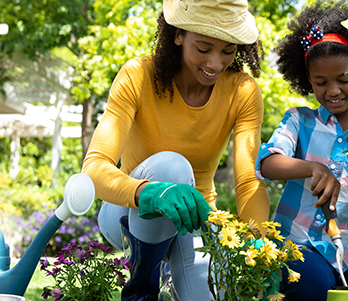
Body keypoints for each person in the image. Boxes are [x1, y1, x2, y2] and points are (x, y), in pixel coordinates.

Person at [82, 0, 271, 300]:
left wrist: (259, 238)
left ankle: (167, 273)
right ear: (178, 34)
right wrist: (151, 193)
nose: (215, 64)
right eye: (204, 48)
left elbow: (248, 181)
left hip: (195, 221)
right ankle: (142, 287)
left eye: (227, 50)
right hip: (127, 212)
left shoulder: (243, 91)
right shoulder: (138, 76)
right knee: (173, 167)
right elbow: (93, 168)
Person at [254, 2, 348, 300]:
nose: (332, 90)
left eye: (344, 80)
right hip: (298, 244)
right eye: (321, 82)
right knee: (313, 285)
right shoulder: (299, 121)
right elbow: (267, 162)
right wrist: (311, 167)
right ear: (308, 81)